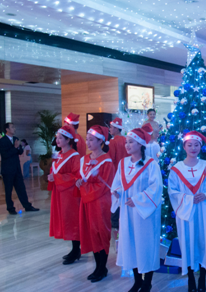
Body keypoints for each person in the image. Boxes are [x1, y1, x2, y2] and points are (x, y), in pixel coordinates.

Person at [111, 125, 162, 292]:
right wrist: (117, 192)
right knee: (130, 243)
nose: (127, 145)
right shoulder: (123, 163)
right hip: (127, 212)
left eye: (131, 142)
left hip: (144, 213)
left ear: (140, 143)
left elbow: (156, 188)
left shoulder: (151, 164)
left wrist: (139, 199)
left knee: (145, 244)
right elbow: (118, 184)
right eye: (126, 142)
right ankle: (137, 280)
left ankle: (147, 282)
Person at [168, 131, 206, 292]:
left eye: (196, 145)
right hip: (185, 212)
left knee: (203, 240)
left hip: (203, 210)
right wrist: (189, 199)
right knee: (187, 241)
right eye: (189, 145)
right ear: (184, 146)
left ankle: (203, 277)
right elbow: (173, 191)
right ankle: (191, 277)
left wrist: (205, 194)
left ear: (201, 147)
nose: (193, 148)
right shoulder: (176, 169)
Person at [75, 125, 115, 282]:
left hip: (100, 202)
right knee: (91, 233)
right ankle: (98, 267)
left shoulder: (106, 161)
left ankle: (102, 268)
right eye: (87, 139)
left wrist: (85, 189)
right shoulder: (84, 159)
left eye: (91, 140)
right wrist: (79, 182)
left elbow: (105, 186)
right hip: (87, 202)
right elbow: (82, 178)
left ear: (101, 141)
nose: (88, 142)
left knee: (101, 233)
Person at [47, 125, 81, 265]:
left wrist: (58, 178)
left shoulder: (74, 156)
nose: (58, 140)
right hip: (60, 193)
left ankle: (76, 249)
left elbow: (76, 176)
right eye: (57, 137)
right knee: (65, 219)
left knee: (72, 220)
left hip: (70, 194)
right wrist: (51, 177)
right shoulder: (59, 155)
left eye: (61, 138)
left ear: (68, 140)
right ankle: (74, 250)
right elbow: (55, 171)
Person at [0, 123, 39, 215]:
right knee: (8, 190)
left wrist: (18, 147)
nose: (14, 128)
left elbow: (20, 152)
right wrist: (15, 147)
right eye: (12, 127)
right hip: (7, 170)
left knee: (21, 188)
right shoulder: (2, 141)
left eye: (14, 127)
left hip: (16, 169)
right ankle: (10, 208)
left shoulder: (16, 139)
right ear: (7, 129)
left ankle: (27, 206)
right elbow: (5, 155)